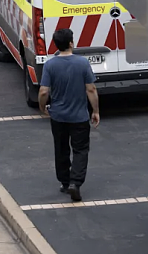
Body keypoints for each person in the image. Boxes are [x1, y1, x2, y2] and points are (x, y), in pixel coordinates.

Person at [38, 28, 99, 202]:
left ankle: (65, 182)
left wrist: (43, 107)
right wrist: (95, 110)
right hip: (79, 117)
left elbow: (43, 91)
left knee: (61, 149)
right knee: (80, 150)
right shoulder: (82, 63)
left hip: (58, 116)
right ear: (71, 43)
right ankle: (76, 182)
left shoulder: (50, 65)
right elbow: (91, 89)